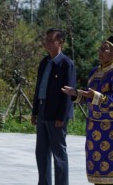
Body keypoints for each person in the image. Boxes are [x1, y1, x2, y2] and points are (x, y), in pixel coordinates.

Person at [62, 36, 113, 185]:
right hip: (95, 129)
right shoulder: (95, 71)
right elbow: (90, 97)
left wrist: (94, 95)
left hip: (112, 129)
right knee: (98, 176)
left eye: (105, 49)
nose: (100, 51)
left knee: (112, 177)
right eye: (100, 48)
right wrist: (77, 94)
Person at [31, 28, 77, 185]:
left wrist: (62, 117)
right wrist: (35, 111)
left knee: (59, 153)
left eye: (52, 40)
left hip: (57, 114)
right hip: (43, 110)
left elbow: (69, 93)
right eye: (46, 41)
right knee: (42, 152)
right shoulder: (44, 62)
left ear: (60, 43)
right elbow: (39, 88)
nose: (48, 44)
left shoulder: (66, 64)